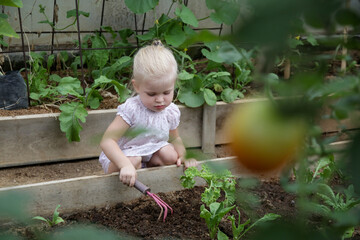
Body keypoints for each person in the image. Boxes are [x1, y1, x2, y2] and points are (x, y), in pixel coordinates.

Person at [99, 40, 198, 187]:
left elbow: (175, 138)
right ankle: (127, 175)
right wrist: (125, 164)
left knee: (170, 155)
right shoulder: (132, 109)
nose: (160, 100)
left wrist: (184, 155)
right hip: (123, 156)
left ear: (174, 84)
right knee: (134, 161)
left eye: (166, 92)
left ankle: (149, 177)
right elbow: (107, 142)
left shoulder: (170, 111)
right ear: (137, 86)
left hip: (149, 151)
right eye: (151, 94)